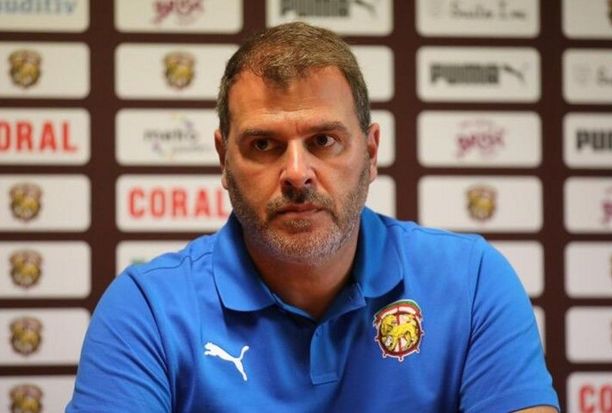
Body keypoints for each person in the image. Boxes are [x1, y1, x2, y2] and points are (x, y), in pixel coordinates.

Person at [67, 22, 560, 412]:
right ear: (223, 160)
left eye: (324, 141)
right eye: (264, 145)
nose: (297, 174)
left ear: (370, 153)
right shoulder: (148, 309)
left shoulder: (471, 281)